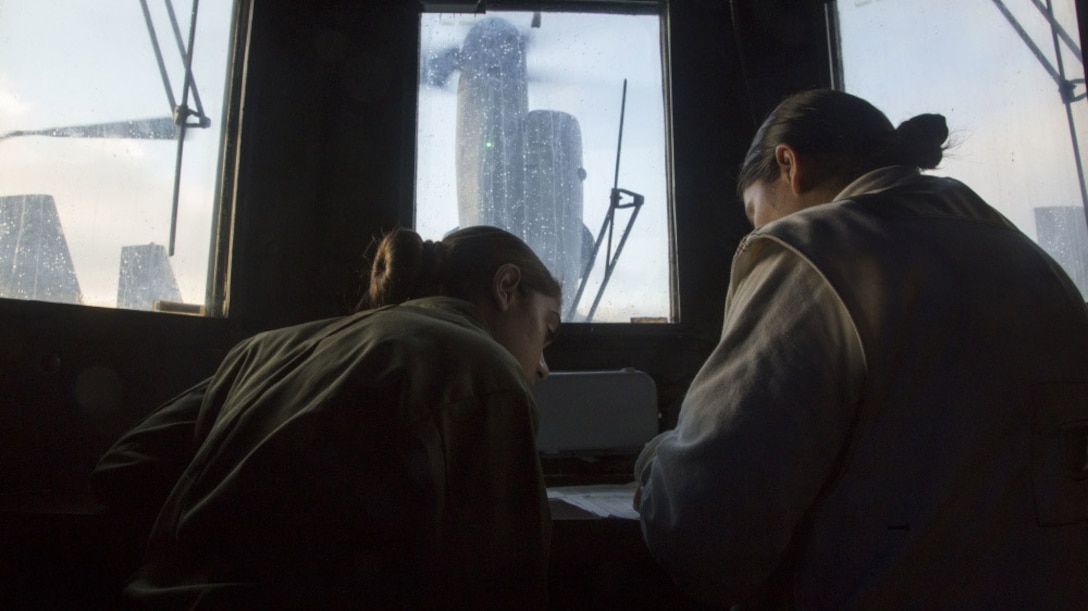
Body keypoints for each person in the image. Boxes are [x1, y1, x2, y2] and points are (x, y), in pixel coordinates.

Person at [634, 89, 1088, 609]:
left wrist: (653, 459)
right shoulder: (1037, 264)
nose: (763, 229)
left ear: (789, 163)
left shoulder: (815, 252)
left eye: (758, 213)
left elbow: (703, 529)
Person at [91, 225, 562, 609]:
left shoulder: (266, 347)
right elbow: (503, 590)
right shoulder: (482, 371)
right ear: (506, 287)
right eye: (547, 329)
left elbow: (123, 468)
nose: (541, 366)